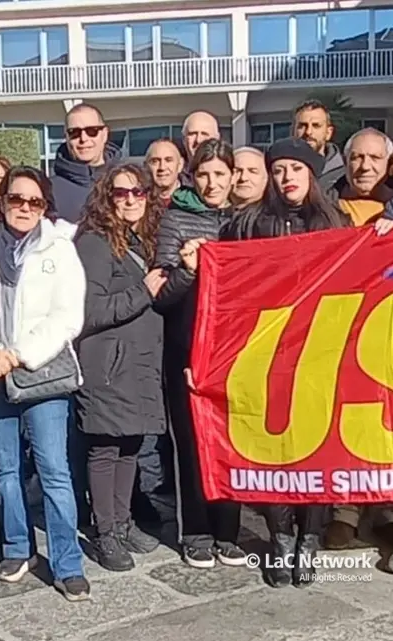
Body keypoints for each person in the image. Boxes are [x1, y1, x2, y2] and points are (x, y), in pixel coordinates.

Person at [186, 138, 349, 586]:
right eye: (279, 170)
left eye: (296, 168)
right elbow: (222, 296)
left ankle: (309, 540)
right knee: (272, 451)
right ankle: (279, 538)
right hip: (264, 356)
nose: (287, 177)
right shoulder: (248, 223)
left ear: (312, 175)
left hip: (321, 353)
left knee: (317, 452)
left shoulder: (336, 221)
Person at [0, 166, 91, 601]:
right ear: (1, 201)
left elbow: (68, 315)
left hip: (41, 374)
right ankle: (17, 547)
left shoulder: (60, 249)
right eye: (16, 200)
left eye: (34, 202)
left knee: (54, 472)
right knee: (5, 470)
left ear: (45, 206)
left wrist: (20, 353)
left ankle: (67, 562)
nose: (24, 209)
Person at [153, 139, 245, 569]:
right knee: (191, 440)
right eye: (204, 174)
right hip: (188, 346)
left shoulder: (246, 217)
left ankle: (228, 528)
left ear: (232, 177)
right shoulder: (175, 220)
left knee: (232, 438)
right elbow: (163, 296)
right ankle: (196, 529)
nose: (212, 183)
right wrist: (189, 270)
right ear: (192, 176)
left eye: (220, 174)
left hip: (237, 349)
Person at [74, 164, 168, 572]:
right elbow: (89, 310)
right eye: (120, 193)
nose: (130, 199)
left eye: (138, 192)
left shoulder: (146, 239)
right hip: (108, 363)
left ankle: (123, 520)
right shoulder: (95, 243)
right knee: (105, 448)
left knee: (131, 445)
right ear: (106, 197)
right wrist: (142, 291)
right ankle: (105, 530)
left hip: (139, 362)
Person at [51, 103, 114, 223]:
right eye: (74, 132)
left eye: (92, 131)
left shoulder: (129, 181)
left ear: (105, 134)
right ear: (66, 137)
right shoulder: (48, 189)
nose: (83, 139)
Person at [332, 128, 393, 227]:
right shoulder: (323, 205)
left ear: (389, 163)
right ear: (345, 162)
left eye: (375, 157)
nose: (365, 166)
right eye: (357, 157)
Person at [293, 99, 345, 188]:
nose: (308, 132)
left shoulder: (344, 174)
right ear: (293, 131)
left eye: (316, 125)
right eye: (302, 126)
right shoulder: (281, 171)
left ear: (328, 133)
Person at [145, 138, 184, 207]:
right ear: (146, 166)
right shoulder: (139, 203)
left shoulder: (194, 200)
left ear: (180, 165)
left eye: (168, 160)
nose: (162, 167)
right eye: (155, 161)